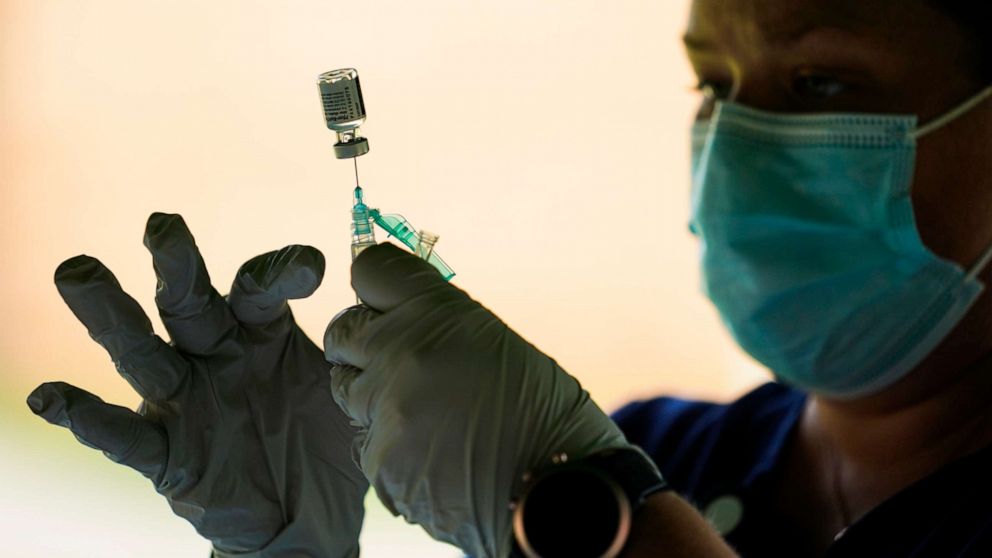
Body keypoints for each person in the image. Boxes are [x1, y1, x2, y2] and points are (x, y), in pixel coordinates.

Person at [28, 0, 991, 556]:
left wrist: (594, 518)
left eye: (824, 84)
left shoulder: (596, 485)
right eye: (715, 87)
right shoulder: (663, 454)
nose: (736, 146)